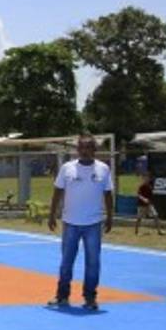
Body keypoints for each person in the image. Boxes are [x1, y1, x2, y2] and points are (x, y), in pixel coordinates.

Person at [47, 133, 114, 311]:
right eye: (82, 148)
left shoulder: (103, 169)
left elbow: (108, 194)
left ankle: (90, 297)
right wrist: (52, 214)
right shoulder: (67, 168)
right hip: (70, 223)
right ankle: (62, 296)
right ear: (77, 150)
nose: (85, 151)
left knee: (93, 262)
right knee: (66, 262)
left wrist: (110, 217)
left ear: (94, 150)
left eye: (89, 148)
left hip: (93, 224)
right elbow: (57, 192)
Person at [134, 170, 164, 236]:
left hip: (149, 205)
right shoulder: (141, 186)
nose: (146, 179)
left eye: (147, 178)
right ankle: (136, 231)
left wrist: (150, 202)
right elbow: (138, 195)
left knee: (155, 215)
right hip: (141, 205)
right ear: (143, 179)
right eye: (145, 178)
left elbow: (150, 196)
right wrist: (144, 199)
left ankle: (159, 231)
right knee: (139, 218)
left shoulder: (150, 186)